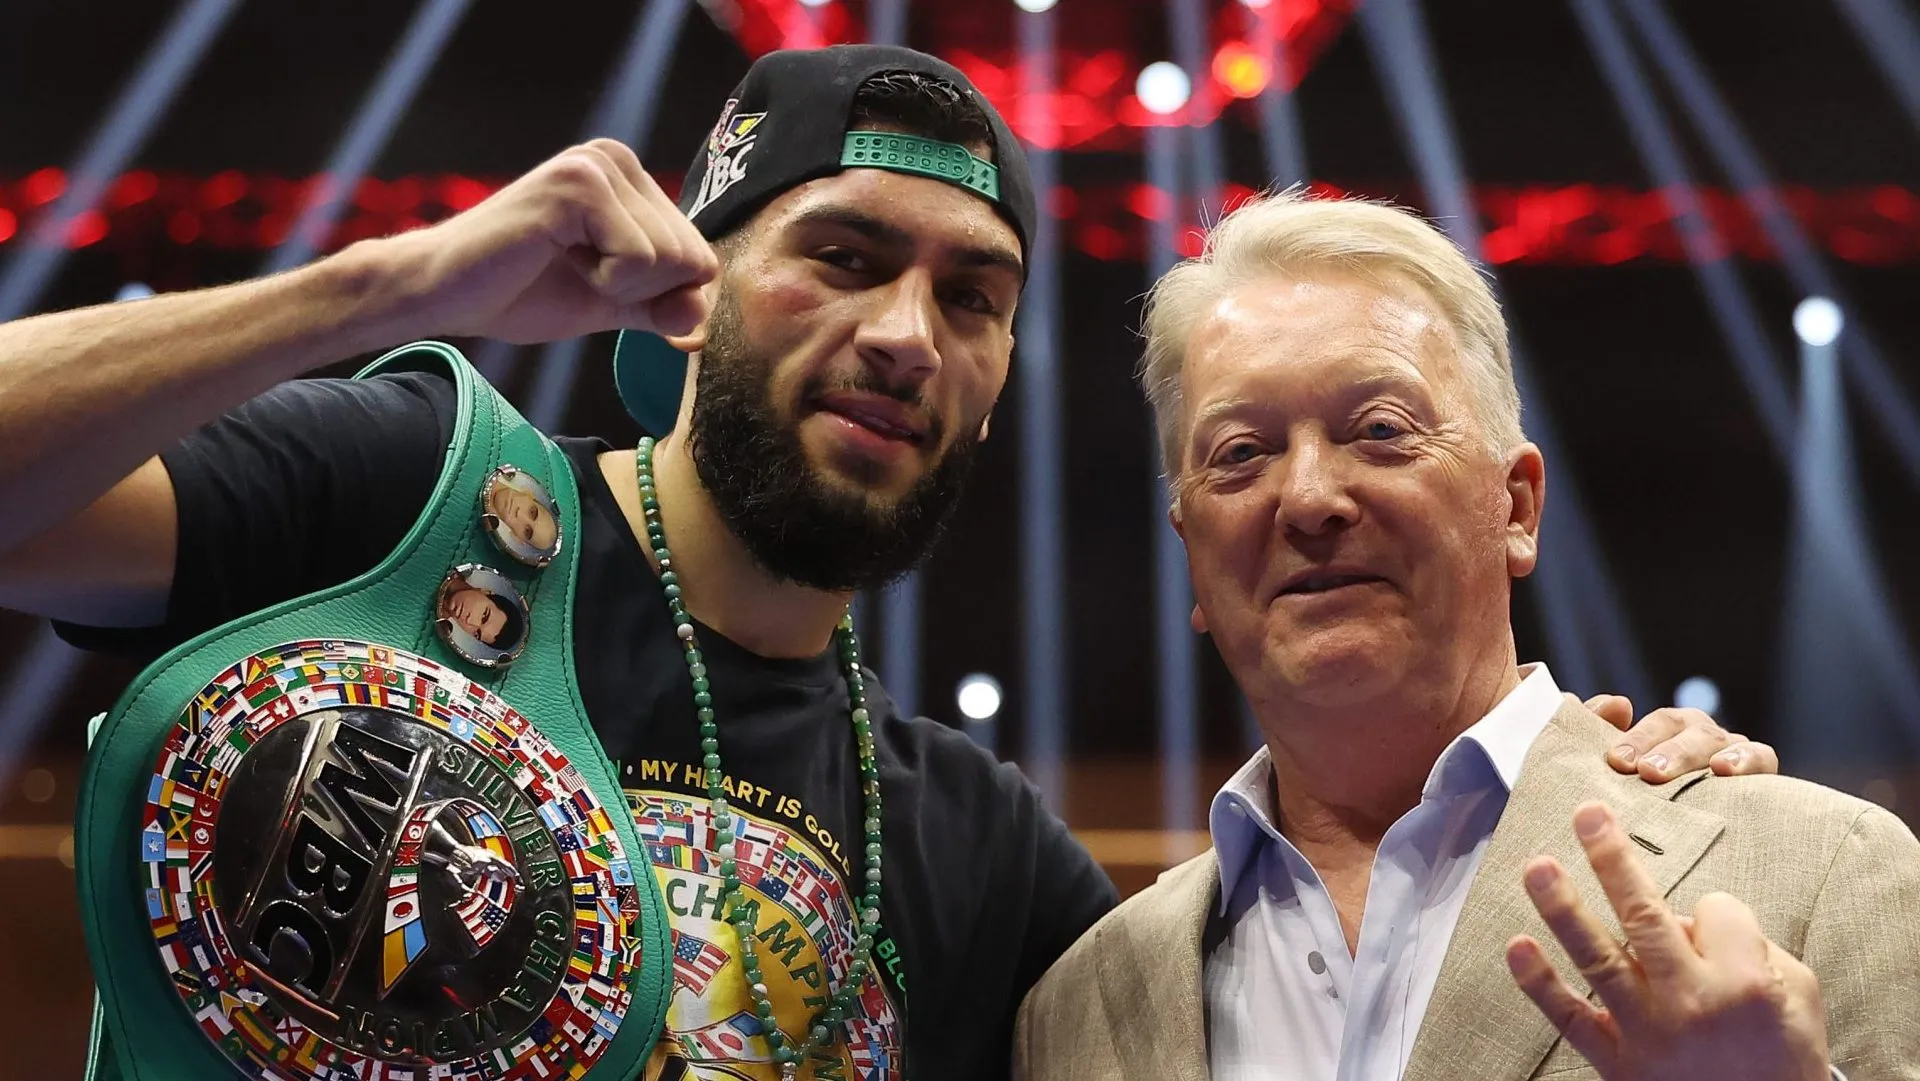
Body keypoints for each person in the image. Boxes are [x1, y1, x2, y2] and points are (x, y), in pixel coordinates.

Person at [0, 47, 1776, 1081]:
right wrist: (394, 283)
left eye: (972, 297)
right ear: (690, 295)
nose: (908, 334)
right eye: (844, 257)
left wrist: (1565, 764)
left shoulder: (979, 854)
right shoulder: (418, 498)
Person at [1011, 190, 1920, 1081]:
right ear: (1194, 555)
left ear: (1516, 507)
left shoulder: (1823, 870)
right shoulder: (1074, 1008)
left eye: (1379, 430)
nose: (1310, 498)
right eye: (1242, 452)